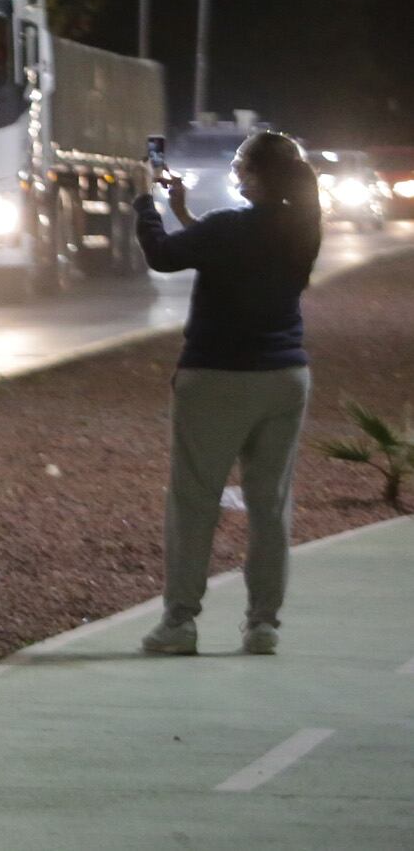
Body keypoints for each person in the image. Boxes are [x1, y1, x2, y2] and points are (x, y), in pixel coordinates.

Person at [135, 128, 320, 657]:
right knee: (269, 504)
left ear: (259, 175)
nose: (235, 171)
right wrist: (186, 213)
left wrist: (144, 203)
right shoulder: (303, 226)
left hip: (216, 376)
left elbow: (163, 256)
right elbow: (232, 252)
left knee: (195, 501)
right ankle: (263, 624)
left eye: (241, 164)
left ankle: (180, 622)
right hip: (285, 378)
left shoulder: (228, 229)